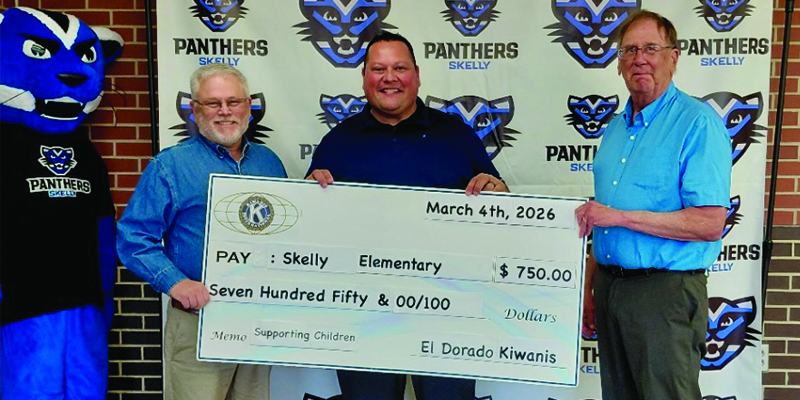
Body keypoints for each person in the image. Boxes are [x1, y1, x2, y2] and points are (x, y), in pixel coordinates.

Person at [305, 31, 507, 400]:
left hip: (448, 308)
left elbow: (501, 203)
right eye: (378, 68)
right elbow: (311, 223)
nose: (389, 77)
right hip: (363, 312)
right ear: (364, 77)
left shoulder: (456, 135)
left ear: (416, 74)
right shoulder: (339, 141)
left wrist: (494, 188)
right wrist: (308, 193)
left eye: (399, 67)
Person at [574, 10, 731, 400]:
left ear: (674, 57)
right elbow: (604, 218)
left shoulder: (697, 124)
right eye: (629, 50)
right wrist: (592, 286)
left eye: (650, 48)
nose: (639, 58)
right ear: (618, 63)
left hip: (664, 294)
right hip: (611, 288)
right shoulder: (614, 128)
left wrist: (621, 217)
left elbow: (708, 223)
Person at [116, 64, 286, 400]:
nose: (225, 111)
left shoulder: (269, 163)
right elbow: (133, 237)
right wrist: (175, 282)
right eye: (212, 103)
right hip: (198, 321)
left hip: (256, 318)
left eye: (233, 101)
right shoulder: (170, 166)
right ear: (194, 110)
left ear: (249, 106)